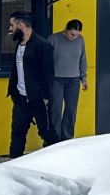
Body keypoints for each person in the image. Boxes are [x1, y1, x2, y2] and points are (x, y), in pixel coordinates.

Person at [5, 11, 56, 157]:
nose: (10, 28)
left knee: (46, 132)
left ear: (21, 25)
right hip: (21, 98)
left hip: (39, 98)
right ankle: (13, 163)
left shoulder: (42, 45)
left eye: (12, 25)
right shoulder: (20, 44)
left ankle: (59, 163)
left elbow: (48, 72)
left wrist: (46, 97)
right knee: (17, 131)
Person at [50, 18, 88, 140]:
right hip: (56, 79)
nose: (74, 37)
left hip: (74, 80)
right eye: (72, 34)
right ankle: (53, 138)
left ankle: (67, 138)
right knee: (55, 109)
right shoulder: (53, 39)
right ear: (66, 30)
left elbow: (82, 59)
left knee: (71, 110)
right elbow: (45, 60)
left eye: (77, 35)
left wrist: (84, 78)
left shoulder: (80, 40)